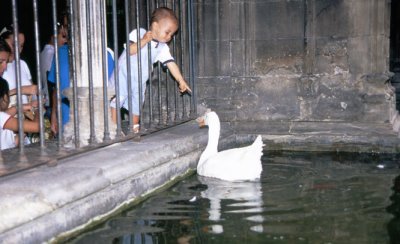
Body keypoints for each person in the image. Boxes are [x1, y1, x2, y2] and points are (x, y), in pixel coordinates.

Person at [109, 7, 191, 133]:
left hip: (140, 80)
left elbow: (171, 63)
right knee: (118, 100)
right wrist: (144, 40)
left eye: (172, 34)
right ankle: (113, 128)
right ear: (155, 26)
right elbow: (130, 50)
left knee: (136, 104)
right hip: (124, 75)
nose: (169, 37)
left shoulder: (162, 47)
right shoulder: (139, 33)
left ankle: (134, 128)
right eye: (167, 32)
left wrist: (181, 80)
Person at [0, 25, 33, 106]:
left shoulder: (23, 64)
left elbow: (32, 93)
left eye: (21, 46)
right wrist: (21, 90)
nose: (18, 50)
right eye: (14, 45)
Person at [40, 22, 68, 117]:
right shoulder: (52, 54)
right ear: (53, 37)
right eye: (63, 36)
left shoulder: (44, 52)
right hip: (52, 106)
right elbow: (52, 83)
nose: (66, 40)